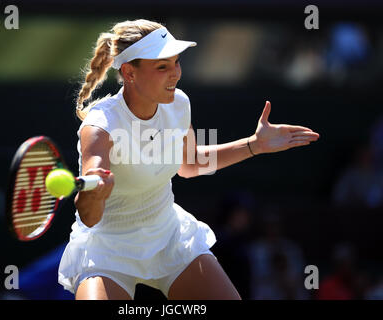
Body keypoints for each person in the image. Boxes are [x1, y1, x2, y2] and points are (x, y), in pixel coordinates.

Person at [58, 19, 320, 300]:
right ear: (129, 73)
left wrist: (254, 145)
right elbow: (89, 214)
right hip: (108, 248)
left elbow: (191, 164)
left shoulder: (179, 104)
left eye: (176, 63)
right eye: (162, 67)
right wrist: (95, 196)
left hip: (168, 236)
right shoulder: (100, 126)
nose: (175, 74)